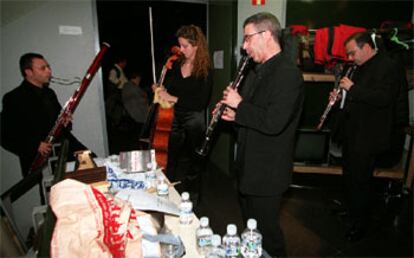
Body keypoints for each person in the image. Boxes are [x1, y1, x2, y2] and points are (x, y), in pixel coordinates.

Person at [218, 12, 304, 257]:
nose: (244, 47)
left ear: (266, 35)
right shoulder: (258, 72)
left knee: (268, 235)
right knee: (252, 231)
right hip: (249, 167)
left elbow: (273, 122)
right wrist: (234, 117)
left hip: (268, 172)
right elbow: (253, 116)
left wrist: (239, 104)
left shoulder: (287, 74)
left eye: (247, 39)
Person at [332, 31, 409, 241]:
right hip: (353, 132)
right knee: (350, 177)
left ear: (366, 47)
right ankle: (352, 212)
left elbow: (384, 98)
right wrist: (340, 97)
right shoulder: (360, 66)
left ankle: (360, 224)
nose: (349, 58)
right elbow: (355, 98)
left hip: (368, 136)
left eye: (352, 53)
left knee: (361, 181)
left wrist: (353, 89)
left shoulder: (388, 66)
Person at [1, 53, 89, 178]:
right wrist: (35, 145)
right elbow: (6, 137)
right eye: (43, 68)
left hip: (63, 148)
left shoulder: (49, 93)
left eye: (48, 67)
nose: (49, 71)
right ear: (29, 72)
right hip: (40, 159)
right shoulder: (13, 98)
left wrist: (66, 121)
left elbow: (59, 122)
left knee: (93, 164)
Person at [154, 25, 213, 204]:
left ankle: (192, 202)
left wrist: (171, 97)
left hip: (195, 120)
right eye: (180, 45)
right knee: (169, 160)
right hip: (173, 117)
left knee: (194, 164)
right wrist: (160, 89)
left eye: (185, 46)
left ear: (196, 46)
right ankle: (166, 195)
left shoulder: (205, 69)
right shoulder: (177, 64)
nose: (181, 50)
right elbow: (168, 88)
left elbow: (200, 102)